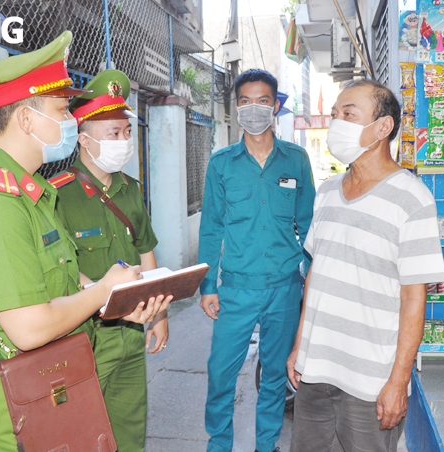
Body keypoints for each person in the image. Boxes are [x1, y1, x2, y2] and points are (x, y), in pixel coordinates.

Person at [0, 32, 170, 452]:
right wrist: (104, 289)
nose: (70, 121)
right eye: (63, 109)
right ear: (27, 119)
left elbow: (64, 281)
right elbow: (28, 329)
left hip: (53, 385)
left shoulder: (30, 194)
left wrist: (117, 299)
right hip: (19, 408)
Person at [287, 79, 444, 452]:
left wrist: (398, 381)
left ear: (382, 127)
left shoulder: (412, 199)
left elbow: (413, 298)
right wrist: (299, 347)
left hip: (370, 380)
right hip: (316, 369)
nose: (336, 123)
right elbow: (315, 275)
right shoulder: (327, 192)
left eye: (348, 113)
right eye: (334, 115)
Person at [198, 69, 315, 452]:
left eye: (262, 100)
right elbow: (211, 227)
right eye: (245, 101)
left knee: (275, 377)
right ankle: (219, 444)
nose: (253, 108)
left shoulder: (296, 161)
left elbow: (309, 224)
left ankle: (267, 445)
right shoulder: (222, 163)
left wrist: (311, 280)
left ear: (275, 106)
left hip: (284, 288)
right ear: (236, 107)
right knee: (221, 374)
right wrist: (207, 286)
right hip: (236, 290)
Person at [48, 69, 166, 452]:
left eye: (127, 132)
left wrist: (160, 314)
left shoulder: (131, 190)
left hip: (131, 334)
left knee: (130, 432)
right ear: (83, 139)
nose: (124, 141)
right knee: (81, 432)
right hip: (85, 335)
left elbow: (146, 250)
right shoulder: (57, 195)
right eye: (113, 134)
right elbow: (60, 266)